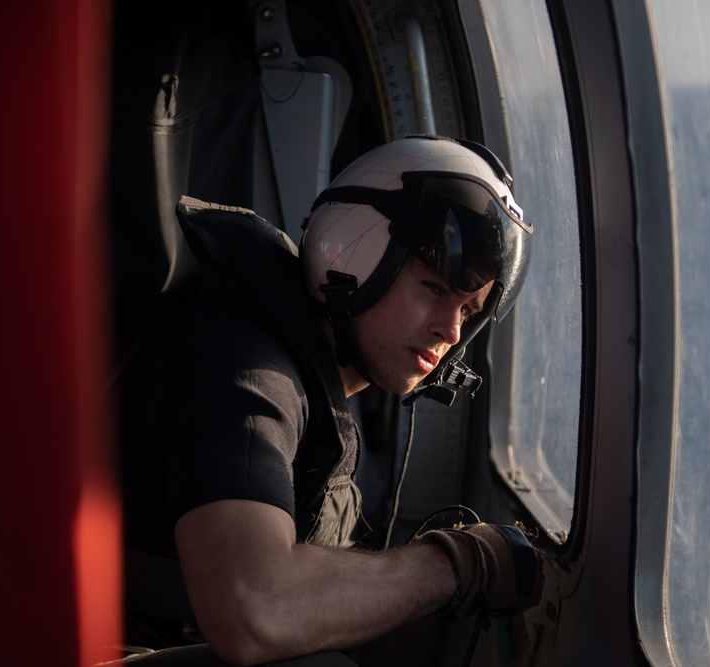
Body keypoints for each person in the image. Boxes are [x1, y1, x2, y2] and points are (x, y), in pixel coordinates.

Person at [112, 134, 542, 666]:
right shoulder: (243, 368)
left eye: (469, 311)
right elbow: (254, 608)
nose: (452, 331)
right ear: (354, 255)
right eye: (434, 288)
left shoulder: (307, 378)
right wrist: (456, 565)